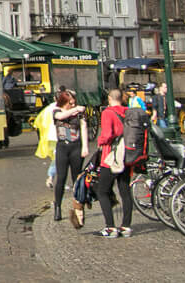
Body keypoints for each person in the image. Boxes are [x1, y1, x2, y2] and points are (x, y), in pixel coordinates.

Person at [96, 88, 133, 238]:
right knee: (124, 190)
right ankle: (126, 226)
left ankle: (110, 227)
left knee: (102, 191)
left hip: (111, 156)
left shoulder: (108, 112)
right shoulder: (129, 111)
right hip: (127, 155)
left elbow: (107, 135)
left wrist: (100, 141)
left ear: (110, 99)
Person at [51, 91, 88, 221]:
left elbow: (83, 128)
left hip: (76, 146)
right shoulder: (56, 111)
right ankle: (57, 207)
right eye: (69, 103)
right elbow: (61, 116)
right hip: (62, 146)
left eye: (73, 103)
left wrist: (85, 147)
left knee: (77, 178)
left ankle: (79, 208)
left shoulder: (79, 113)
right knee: (61, 178)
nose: (72, 105)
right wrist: (75, 109)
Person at [32, 99, 58, 188]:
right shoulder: (61, 108)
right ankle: (52, 177)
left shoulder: (49, 108)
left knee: (56, 159)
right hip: (58, 137)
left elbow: (39, 122)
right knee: (58, 159)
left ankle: (51, 177)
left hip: (51, 137)